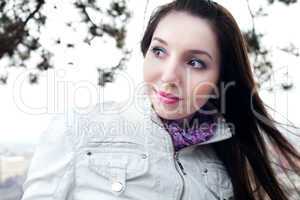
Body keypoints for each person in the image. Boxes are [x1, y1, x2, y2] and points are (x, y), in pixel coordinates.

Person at [21, 0, 300, 199]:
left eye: (194, 62)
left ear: (220, 77)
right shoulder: (78, 128)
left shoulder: (231, 158)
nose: (169, 76)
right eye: (159, 51)